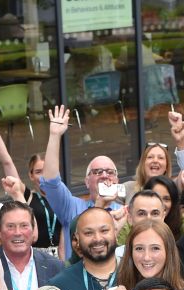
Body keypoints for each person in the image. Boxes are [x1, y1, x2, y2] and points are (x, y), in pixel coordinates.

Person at [40, 105, 125, 256]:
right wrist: (54, 135)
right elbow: (50, 181)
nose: (105, 175)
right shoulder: (71, 207)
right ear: (86, 182)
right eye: (97, 172)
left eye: (110, 172)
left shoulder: (124, 213)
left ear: (117, 180)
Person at [48, 207, 120, 290]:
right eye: (88, 233)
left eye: (104, 230)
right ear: (77, 238)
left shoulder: (135, 274)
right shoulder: (59, 286)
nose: (97, 238)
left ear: (115, 232)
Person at [143, 175, 184, 240]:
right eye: (156, 197)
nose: (161, 203)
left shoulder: (181, 222)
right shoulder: (131, 224)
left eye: (166, 199)